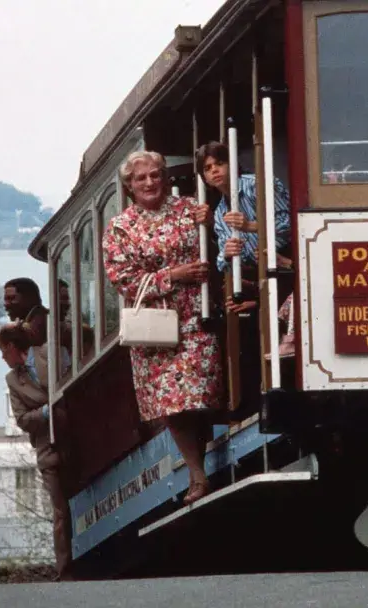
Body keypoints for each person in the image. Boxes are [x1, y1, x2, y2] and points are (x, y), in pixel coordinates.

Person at [101, 150, 223, 506]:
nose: (150, 182)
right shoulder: (120, 228)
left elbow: (220, 248)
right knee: (174, 404)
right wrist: (173, 275)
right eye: (141, 178)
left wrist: (213, 222)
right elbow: (122, 280)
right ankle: (197, 475)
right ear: (129, 186)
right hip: (157, 327)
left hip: (197, 314)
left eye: (155, 175)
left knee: (200, 394)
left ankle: (204, 462)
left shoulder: (189, 209)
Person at [195, 141, 296, 356]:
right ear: (204, 178)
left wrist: (251, 226)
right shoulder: (221, 210)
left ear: (232, 164)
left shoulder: (257, 185)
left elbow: (290, 222)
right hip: (256, 277)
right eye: (207, 168)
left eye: (219, 163)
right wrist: (227, 253)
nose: (214, 170)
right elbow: (223, 263)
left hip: (286, 261)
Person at [0, 323, 73, 581]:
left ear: (12, 348)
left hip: (76, 438)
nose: (3, 358)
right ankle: (66, 570)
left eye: (3, 352)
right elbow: (23, 419)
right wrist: (48, 411)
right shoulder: (13, 380)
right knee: (60, 512)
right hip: (48, 448)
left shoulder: (53, 353)